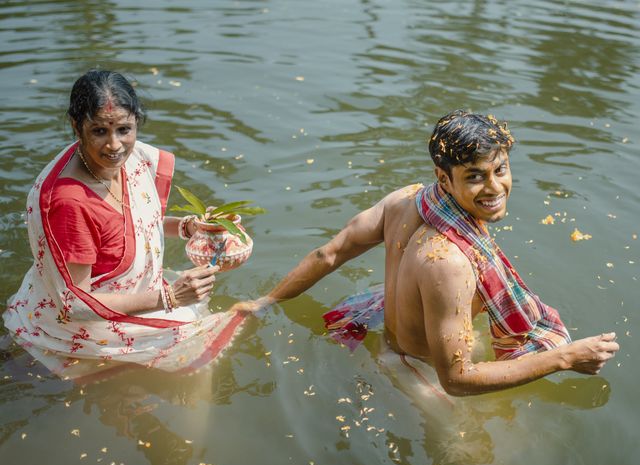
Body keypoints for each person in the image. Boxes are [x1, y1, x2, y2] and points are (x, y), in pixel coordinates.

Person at [244, 110, 620, 396]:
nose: (494, 188)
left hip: (392, 338)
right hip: (417, 374)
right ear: (444, 178)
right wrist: (564, 358)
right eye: (474, 176)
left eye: (500, 170)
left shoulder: (405, 199)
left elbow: (329, 254)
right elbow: (456, 379)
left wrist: (262, 301)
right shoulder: (449, 263)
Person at [3, 70, 245, 380]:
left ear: (136, 123)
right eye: (99, 131)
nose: (114, 144)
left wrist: (189, 227)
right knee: (198, 357)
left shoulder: (126, 160)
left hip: (116, 298)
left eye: (124, 129)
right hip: (77, 327)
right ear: (77, 127)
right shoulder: (71, 204)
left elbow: (134, 229)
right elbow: (75, 303)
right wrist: (169, 298)